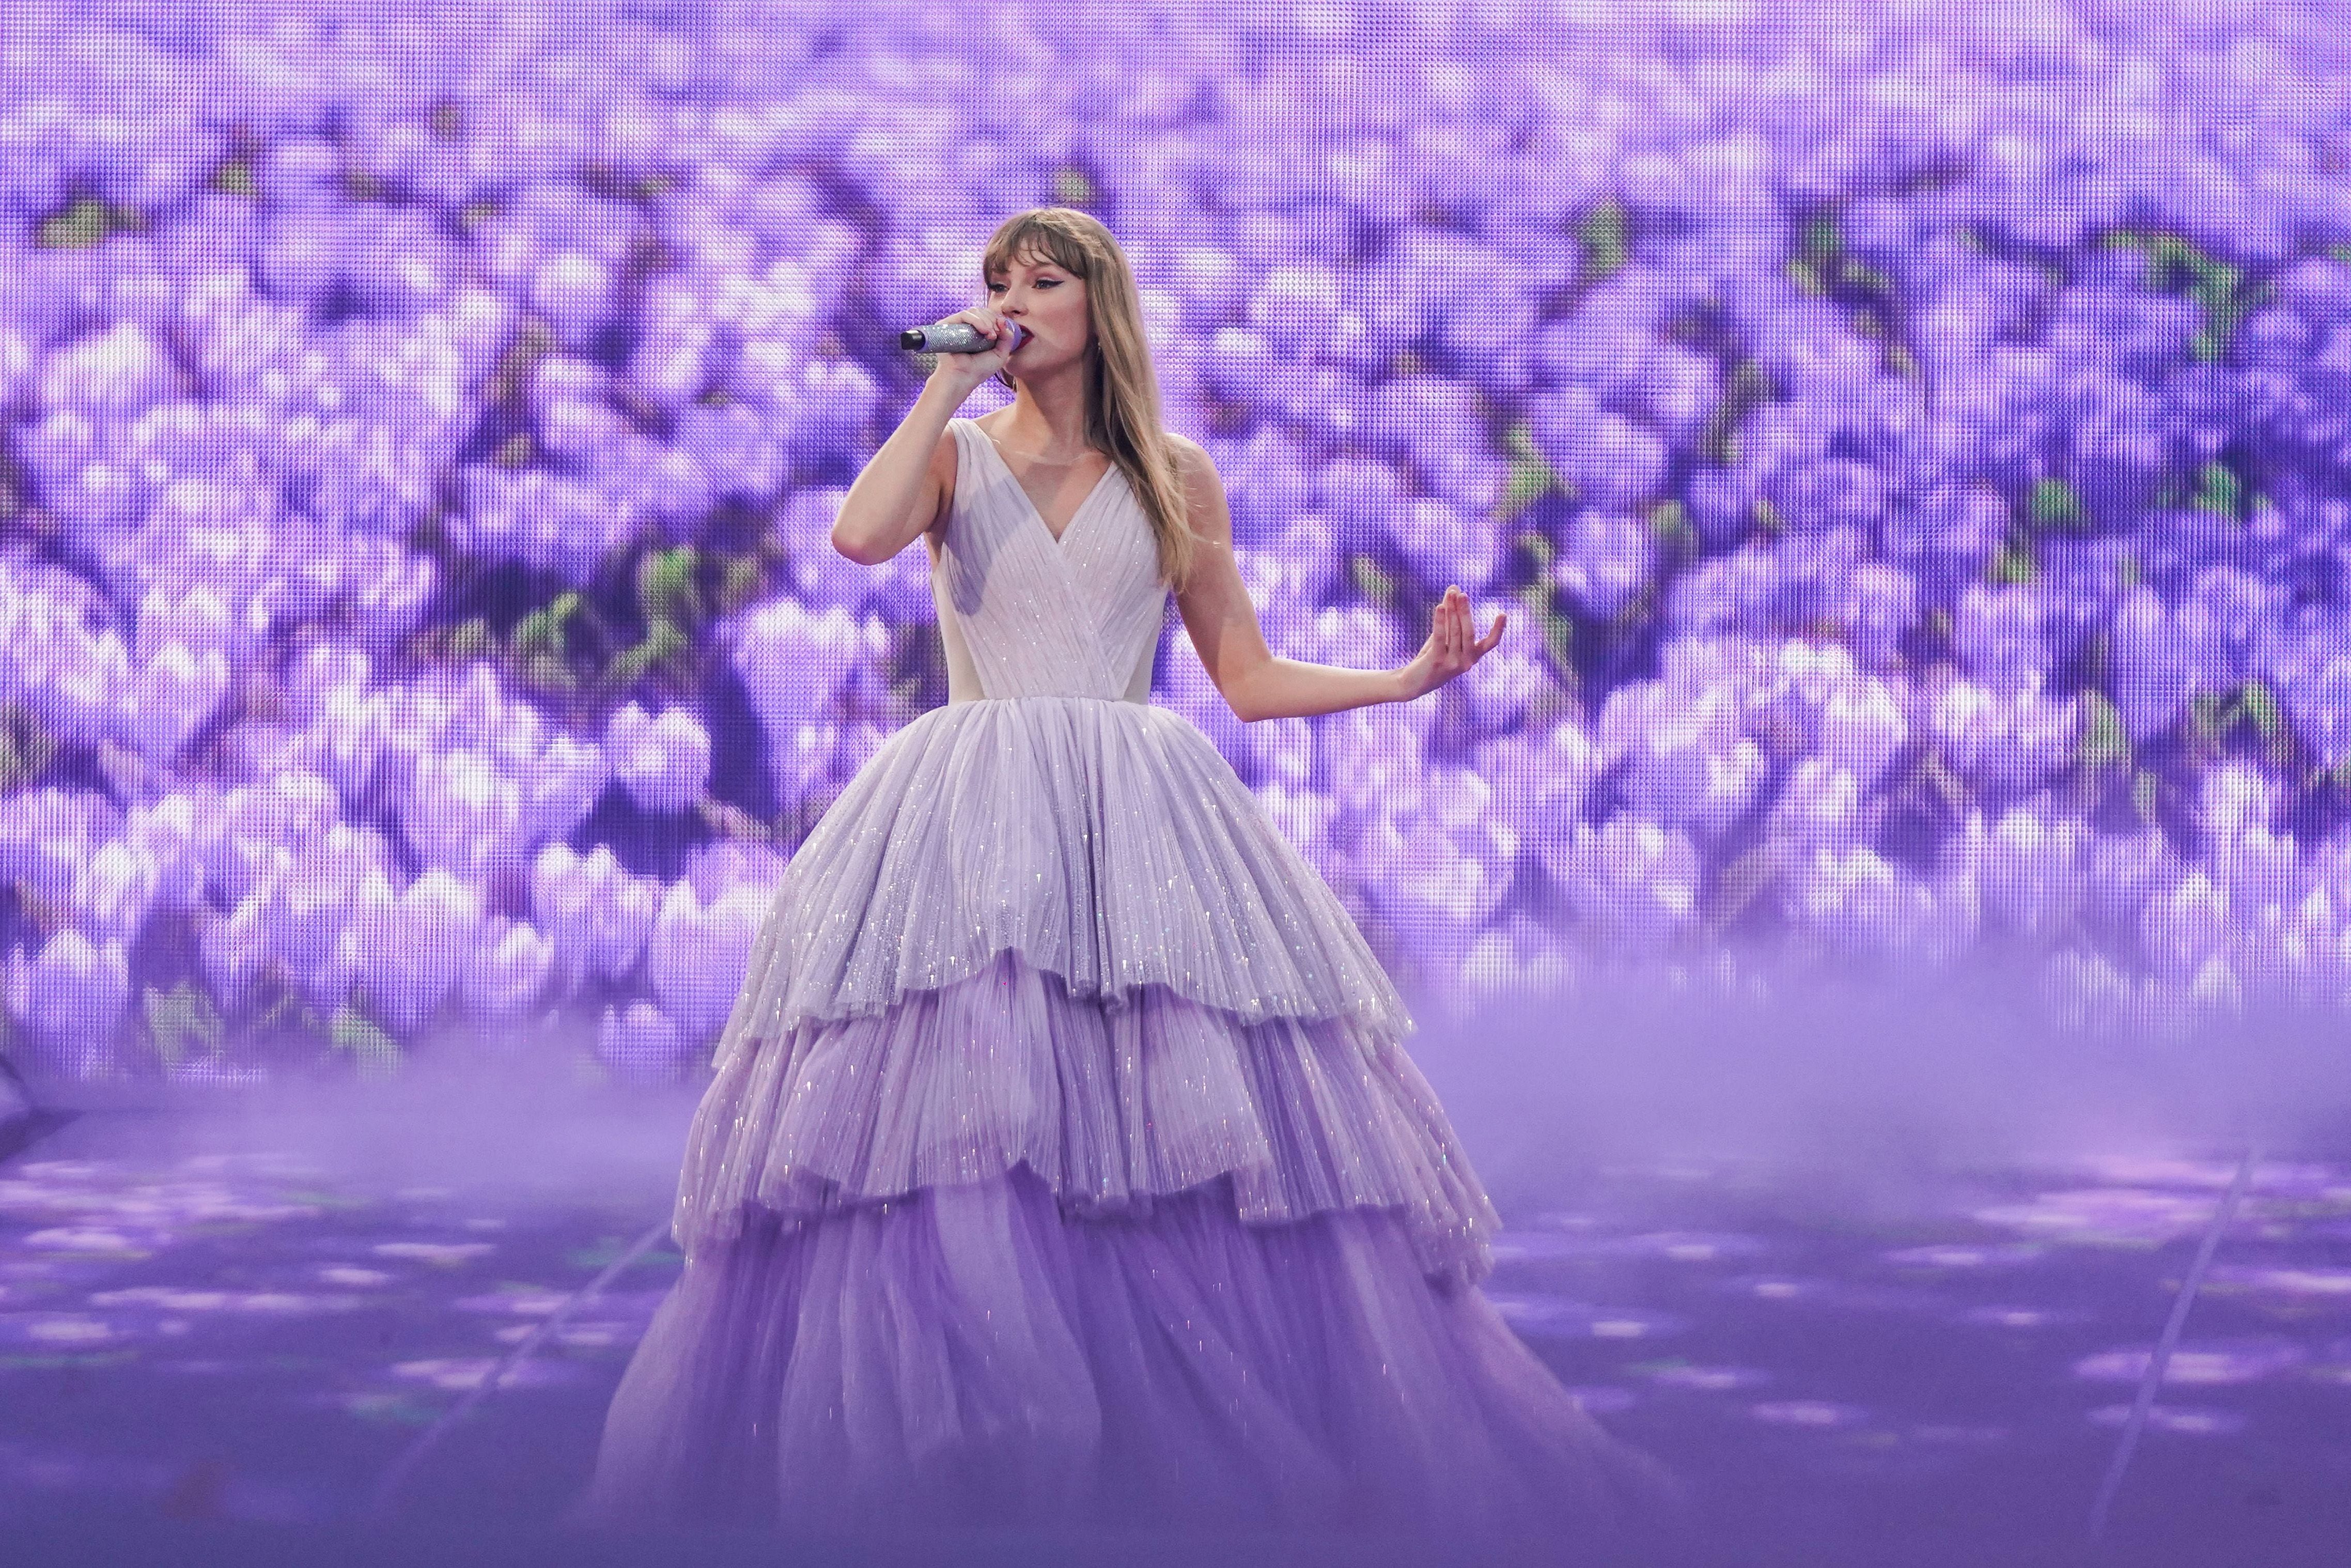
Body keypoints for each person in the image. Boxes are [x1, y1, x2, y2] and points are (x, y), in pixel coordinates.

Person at [573, 205, 1683, 1550]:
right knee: (969, 1123)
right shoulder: (957, 458)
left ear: (1101, 304)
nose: (1014, 300)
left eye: (1041, 282)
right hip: (971, 818)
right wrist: (946, 378)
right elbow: (861, 538)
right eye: (998, 283)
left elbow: (1249, 676)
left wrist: (1405, 678)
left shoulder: (1177, 474)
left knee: (1167, 1126)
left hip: (1139, 820)